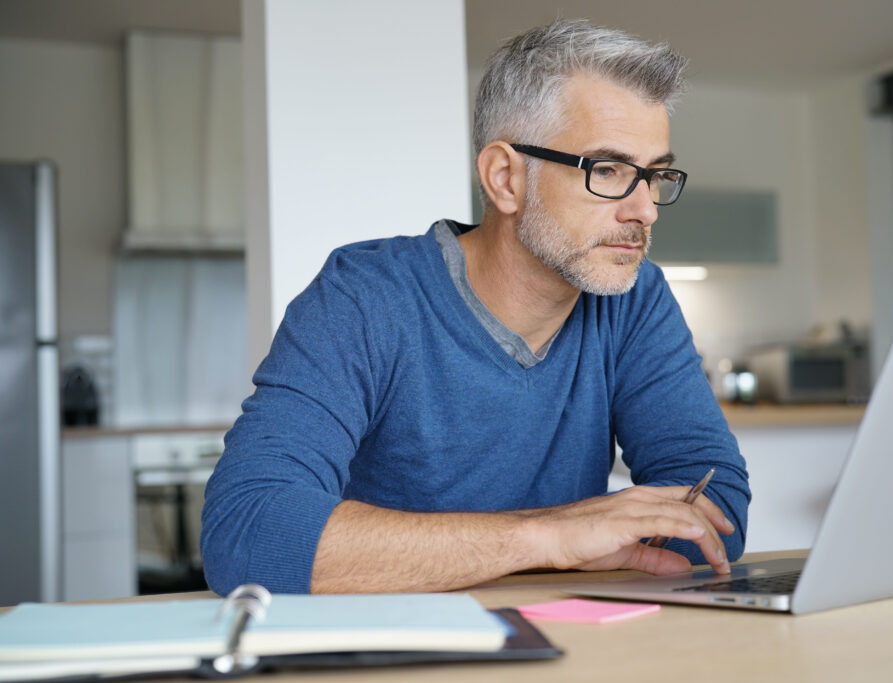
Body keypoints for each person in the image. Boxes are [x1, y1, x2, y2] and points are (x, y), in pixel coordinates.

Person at [200, 18, 750, 596]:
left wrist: (582, 543)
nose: (646, 210)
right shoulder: (363, 298)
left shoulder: (634, 299)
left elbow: (715, 507)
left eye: (655, 175)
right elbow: (248, 534)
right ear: (505, 178)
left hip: (574, 638)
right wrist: (548, 538)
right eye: (608, 170)